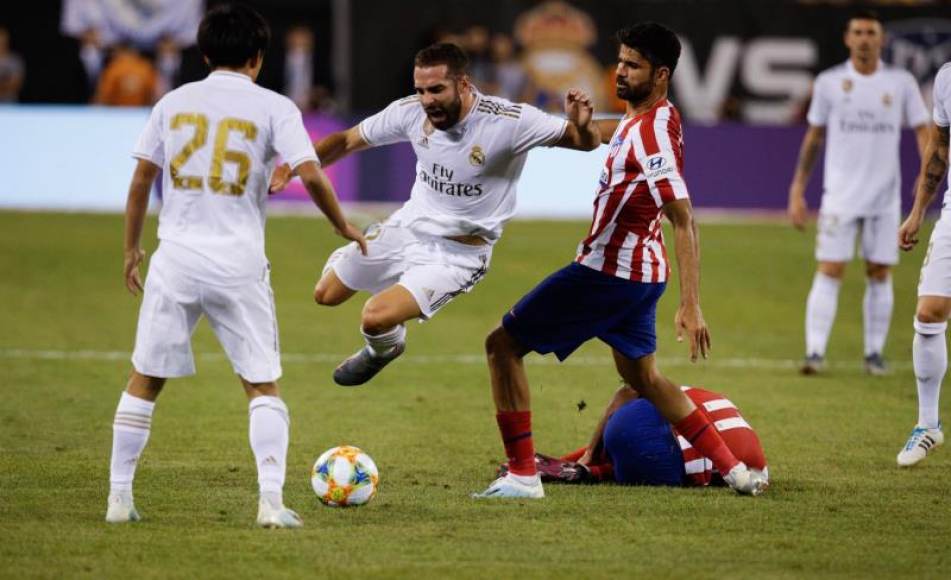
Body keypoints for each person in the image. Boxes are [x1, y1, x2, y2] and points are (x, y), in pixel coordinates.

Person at [473, 22, 767, 499]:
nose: (621, 72)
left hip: (607, 273)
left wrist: (691, 305)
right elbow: (606, 136)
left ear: (662, 74)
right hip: (642, 274)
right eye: (622, 61)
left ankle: (523, 475)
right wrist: (586, 124)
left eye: (634, 65)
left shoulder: (652, 137)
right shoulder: (658, 116)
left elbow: (684, 218)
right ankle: (734, 470)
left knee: (501, 347)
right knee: (643, 377)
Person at [106, 3, 366, 528]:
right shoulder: (273, 107)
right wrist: (340, 225)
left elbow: (140, 182)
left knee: (145, 378)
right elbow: (312, 174)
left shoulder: (173, 102)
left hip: (175, 257)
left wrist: (132, 248)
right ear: (258, 57)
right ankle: (270, 504)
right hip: (238, 264)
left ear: (204, 53)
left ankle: (118, 498)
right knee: (261, 386)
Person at [270, 42, 600, 387]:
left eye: (437, 89)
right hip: (407, 227)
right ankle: (369, 273)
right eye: (421, 90)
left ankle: (384, 349)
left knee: (375, 318)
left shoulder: (510, 122)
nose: (427, 99)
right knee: (326, 294)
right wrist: (294, 166)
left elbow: (585, 141)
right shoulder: (411, 112)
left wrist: (584, 125)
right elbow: (347, 140)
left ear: (463, 84)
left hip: (458, 255)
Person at [787, 11, 929, 376]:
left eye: (871, 32)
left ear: (881, 40)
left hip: (885, 197)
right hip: (840, 196)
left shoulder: (900, 83)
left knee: (879, 271)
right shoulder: (830, 83)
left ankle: (874, 355)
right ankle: (815, 352)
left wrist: (925, 175)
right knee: (831, 268)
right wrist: (798, 188)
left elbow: (923, 131)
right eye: (858, 32)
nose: (865, 38)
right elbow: (814, 137)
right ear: (848, 39)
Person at [505, 385, 768, 489]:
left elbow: (627, 392)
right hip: (664, 471)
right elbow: (760, 476)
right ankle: (596, 472)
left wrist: (585, 453)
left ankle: (581, 466)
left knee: (628, 434)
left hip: (629, 428)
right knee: (630, 461)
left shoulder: (710, 397)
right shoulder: (758, 460)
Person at [895, 61, 951, 467]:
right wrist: (918, 210)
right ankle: (929, 424)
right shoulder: (947, 77)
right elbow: (939, 147)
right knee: (928, 312)